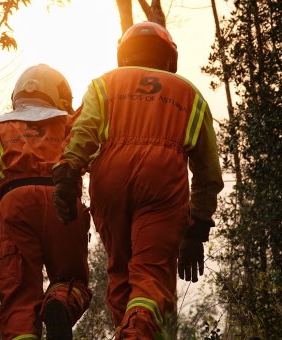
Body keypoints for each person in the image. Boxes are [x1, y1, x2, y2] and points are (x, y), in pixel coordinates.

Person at [51, 21, 224, 339]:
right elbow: (208, 173)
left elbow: (83, 131)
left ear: (125, 54)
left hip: (110, 178)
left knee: (120, 270)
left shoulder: (105, 84)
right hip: (163, 180)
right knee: (151, 274)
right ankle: (137, 333)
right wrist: (196, 228)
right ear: (168, 57)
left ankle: (124, 330)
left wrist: (68, 173)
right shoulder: (189, 94)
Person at [0, 64, 91, 340]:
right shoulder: (70, 125)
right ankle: (60, 301)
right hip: (62, 202)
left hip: (15, 206)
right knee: (73, 280)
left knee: (18, 298)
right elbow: (91, 148)